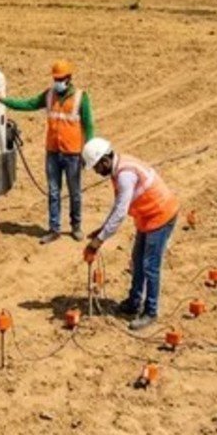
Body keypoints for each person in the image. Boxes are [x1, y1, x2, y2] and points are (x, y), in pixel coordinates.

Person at [81, 138, 179, 331]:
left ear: (105, 161)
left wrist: (97, 242)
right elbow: (118, 204)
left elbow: (120, 213)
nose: (96, 172)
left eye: (96, 167)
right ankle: (134, 302)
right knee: (137, 260)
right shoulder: (118, 169)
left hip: (161, 215)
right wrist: (102, 229)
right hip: (147, 217)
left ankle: (150, 311)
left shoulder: (125, 175)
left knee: (150, 266)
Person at [0, 60, 95, 244]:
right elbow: (28, 104)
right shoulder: (49, 95)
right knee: (53, 192)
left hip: (73, 154)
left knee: (74, 192)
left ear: (69, 78)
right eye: (55, 79)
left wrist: (88, 153)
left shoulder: (81, 97)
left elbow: (89, 126)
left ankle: (76, 226)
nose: (57, 82)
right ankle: (54, 229)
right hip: (53, 153)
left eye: (60, 79)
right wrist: (4, 101)